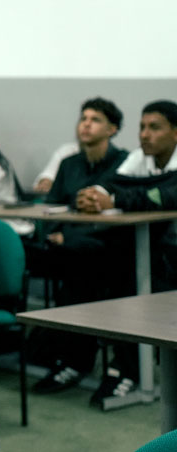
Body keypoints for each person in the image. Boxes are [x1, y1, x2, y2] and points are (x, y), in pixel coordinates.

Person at [75, 99, 177, 406]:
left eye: (154, 127)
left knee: (132, 277)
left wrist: (119, 197)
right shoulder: (137, 158)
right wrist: (93, 196)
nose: (145, 135)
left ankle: (129, 367)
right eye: (142, 127)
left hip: (171, 256)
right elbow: (108, 186)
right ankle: (125, 366)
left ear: (175, 133)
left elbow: (167, 196)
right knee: (108, 267)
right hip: (151, 250)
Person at [31, 97, 132, 400]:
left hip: (110, 248)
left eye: (95, 119)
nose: (86, 123)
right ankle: (74, 360)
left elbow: (118, 215)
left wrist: (69, 236)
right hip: (74, 251)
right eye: (83, 117)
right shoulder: (68, 163)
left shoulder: (126, 162)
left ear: (112, 128)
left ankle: (123, 368)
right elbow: (51, 209)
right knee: (65, 273)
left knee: (105, 274)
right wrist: (58, 234)